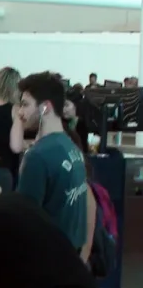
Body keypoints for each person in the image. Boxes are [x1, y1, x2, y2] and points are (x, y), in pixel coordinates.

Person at [17, 72, 88, 254]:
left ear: (45, 108)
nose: (20, 111)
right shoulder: (71, 146)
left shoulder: (38, 156)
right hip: (69, 255)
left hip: (46, 259)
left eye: (25, 104)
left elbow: (24, 218)